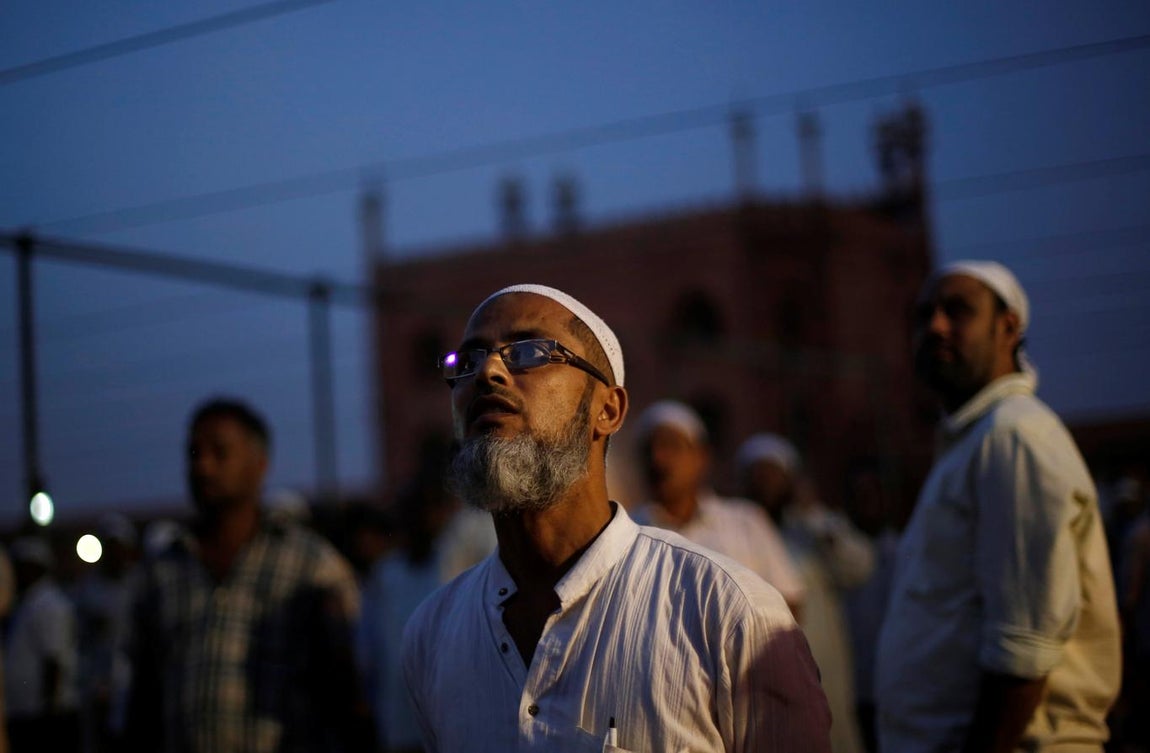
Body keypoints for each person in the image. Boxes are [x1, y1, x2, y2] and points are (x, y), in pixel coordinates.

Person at [401, 283, 831, 753]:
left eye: (529, 351)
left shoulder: (728, 614)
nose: (488, 372)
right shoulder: (432, 635)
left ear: (607, 410)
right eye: (467, 361)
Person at [875, 260, 1121, 752]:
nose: (935, 326)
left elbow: (1023, 649)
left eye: (957, 310)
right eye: (924, 315)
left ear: (1008, 327)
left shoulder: (1015, 435)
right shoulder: (973, 443)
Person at [122, 398, 368, 753]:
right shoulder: (161, 571)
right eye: (194, 452)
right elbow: (143, 696)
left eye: (220, 453)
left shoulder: (311, 566)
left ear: (259, 465)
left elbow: (344, 695)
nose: (203, 467)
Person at [737, 432, 873, 753]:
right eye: (757, 476)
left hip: (823, 667)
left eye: (773, 475)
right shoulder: (737, 535)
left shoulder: (814, 530)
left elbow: (861, 567)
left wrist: (815, 517)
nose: (765, 484)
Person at [631, 399, 806, 615]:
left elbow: (789, 603)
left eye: (671, 445)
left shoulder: (745, 521)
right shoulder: (631, 532)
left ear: (701, 457)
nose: (658, 458)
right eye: (648, 449)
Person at [4, 536, 81, 753]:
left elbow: (54, 660)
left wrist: (49, 712)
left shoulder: (49, 603)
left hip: (42, 717)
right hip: (26, 713)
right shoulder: (27, 602)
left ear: (34, 567)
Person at [72, 513, 139, 753]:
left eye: (119, 547)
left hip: (133, 684)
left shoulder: (139, 584)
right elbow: (79, 639)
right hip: (97, 683)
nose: (115, 554)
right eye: (110, 547)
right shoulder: (88, 590)